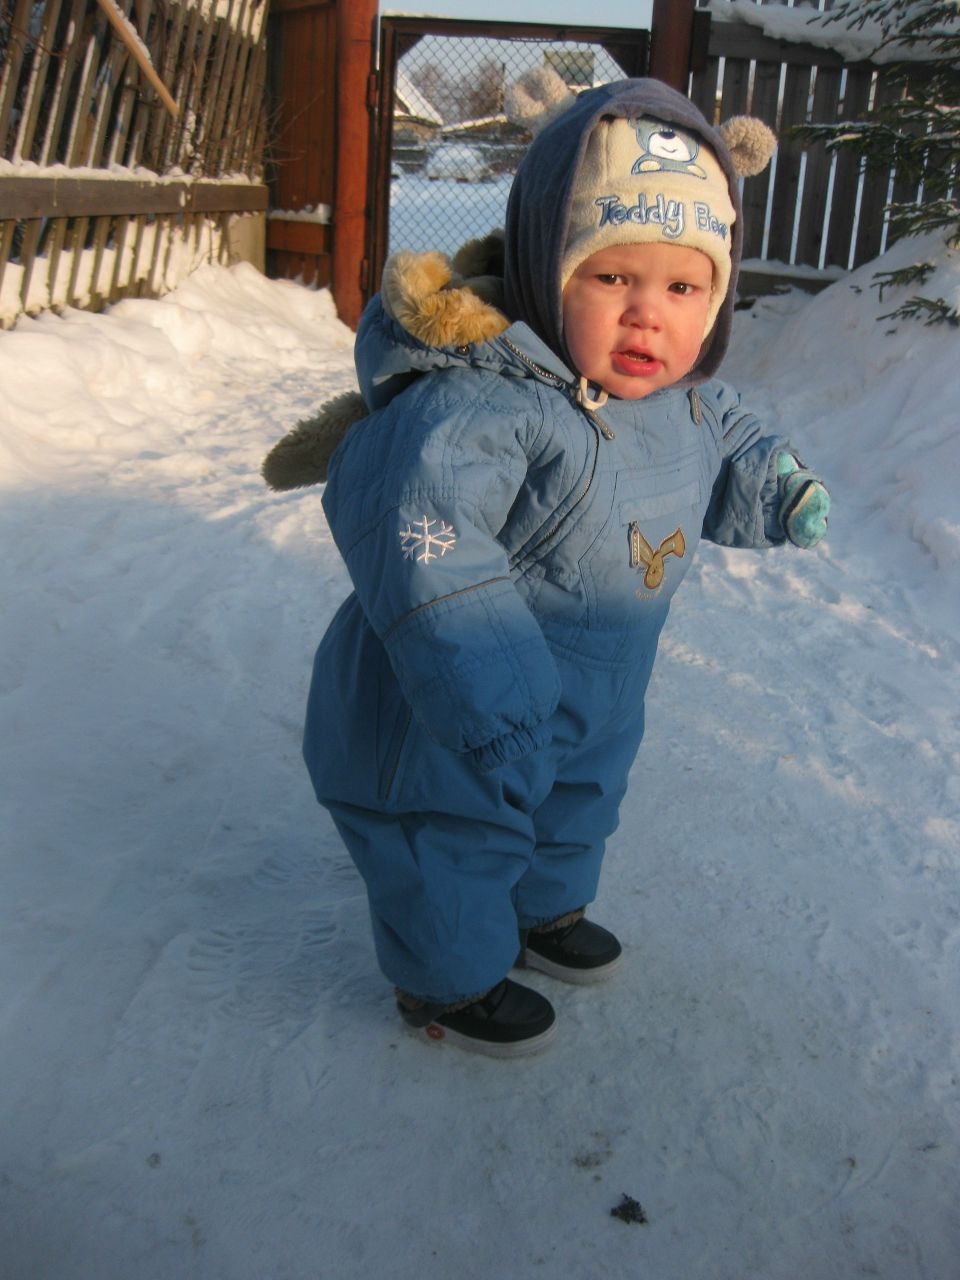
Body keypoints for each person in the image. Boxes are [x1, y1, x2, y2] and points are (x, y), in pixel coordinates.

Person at [276, 75, 830, 1056]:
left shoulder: (681, 400)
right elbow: (427, 545)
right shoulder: (485, 407)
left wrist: (774, 480)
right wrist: (490, 694)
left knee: (581, 794)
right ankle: (446, 976)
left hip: (594, 690)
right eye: (613, 278)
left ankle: (544, 908)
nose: (648, 317)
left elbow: (728, 431)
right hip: (453, 702)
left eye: (683, 285)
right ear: (544, 267)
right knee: (453, 831)